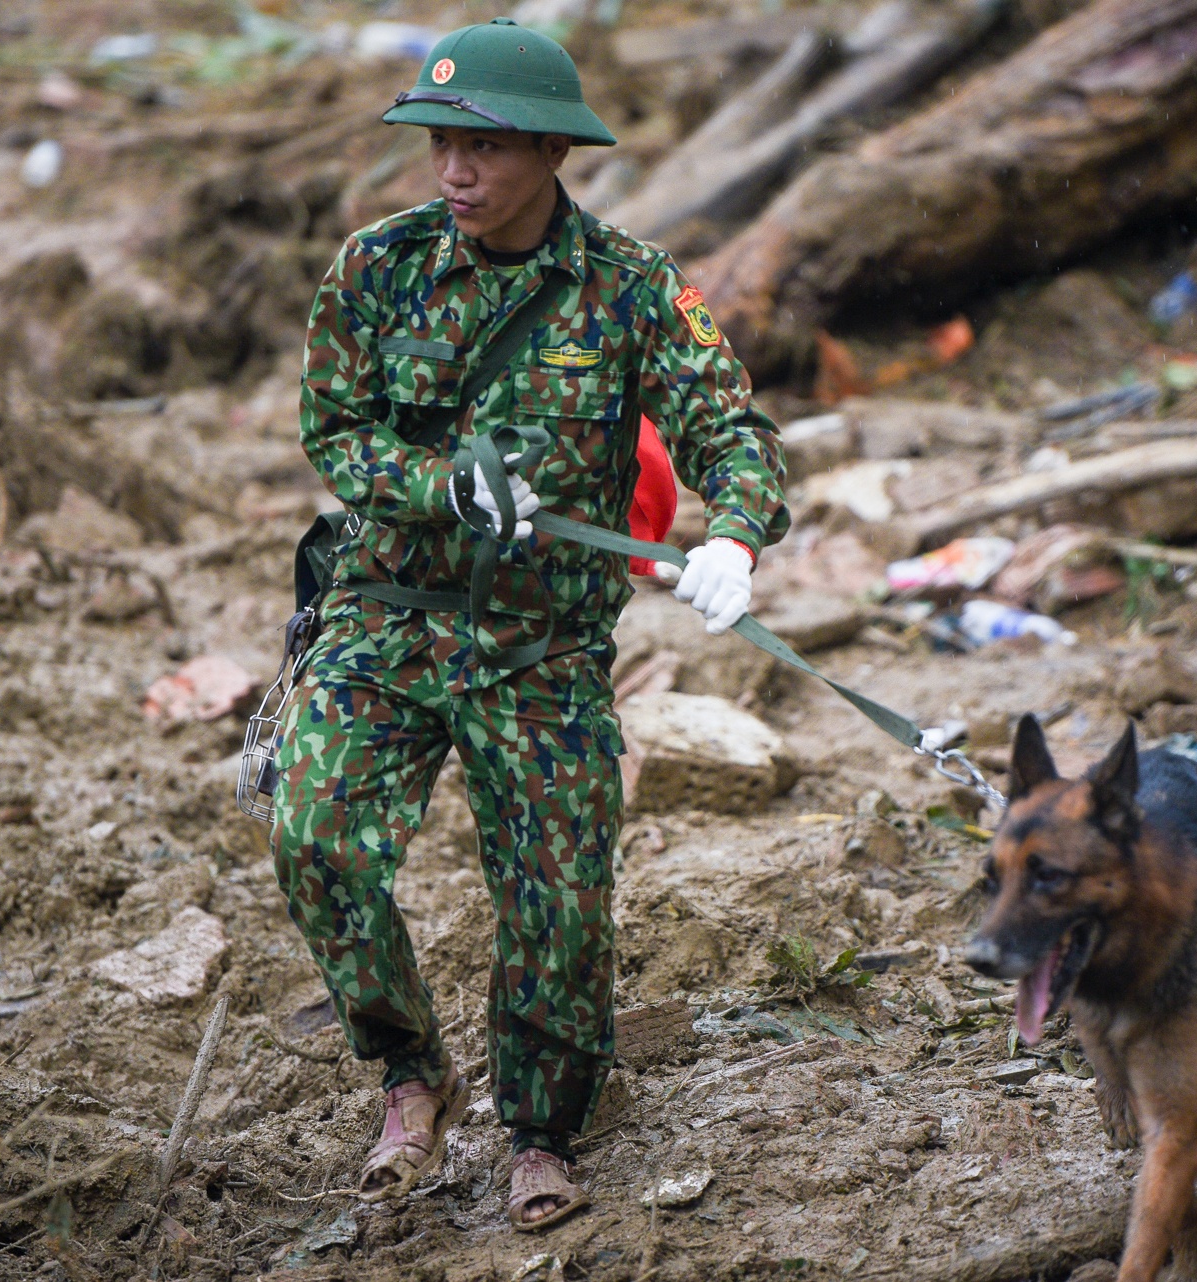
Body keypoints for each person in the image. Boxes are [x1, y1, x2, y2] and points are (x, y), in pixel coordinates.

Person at [268, 17, 788, 1231]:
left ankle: (542, 1129)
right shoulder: (376, 267)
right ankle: (412, 1072)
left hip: (541, 648)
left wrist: (732, 537)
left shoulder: (630, 288)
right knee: (317, 837)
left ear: (554, 150)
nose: (456, 171)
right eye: (441, 142)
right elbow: (336, 434)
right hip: (384, 619)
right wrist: (437, 485)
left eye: (486, 149)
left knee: (559, 903)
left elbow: (731, 429)